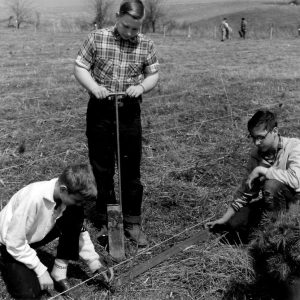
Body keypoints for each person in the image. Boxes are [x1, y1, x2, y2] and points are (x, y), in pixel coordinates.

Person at [74, 0, 159, 247]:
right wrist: (94, 87)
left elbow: (154, 74)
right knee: (102, 168)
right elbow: (80, 67)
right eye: (126, 27)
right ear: (117, 17)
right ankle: (108, 219)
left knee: (131, 170)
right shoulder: (97, 38)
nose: (131, 33)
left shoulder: (146, 44)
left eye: (136, 28)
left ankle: (132, 221)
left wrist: (141, 86)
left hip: (129, 112)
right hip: (100, 111)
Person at [0, 164, 114, 299]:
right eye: (77, 200)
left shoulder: (64, 195)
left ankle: (59, 272)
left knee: (75, 213)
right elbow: (14, 242)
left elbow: (77, 230)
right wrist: (41, 271)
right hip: (9, 243)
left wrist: (94, 262)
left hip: (32, 237)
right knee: (29, 293)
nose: (79, 204)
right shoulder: (34, 198)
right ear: (64, 189)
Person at [206, 110, 300, 243]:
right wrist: (224, 219)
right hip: (275, 201)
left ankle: (277, 235)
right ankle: (273, 228)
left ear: (274, 131)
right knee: (235, 223)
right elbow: (246, 190)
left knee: (271, 185)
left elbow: (296, 180)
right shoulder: (256, 155)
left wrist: (262, 170)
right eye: (253, 137)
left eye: (261, 137)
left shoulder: (294, 146)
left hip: (296, 198)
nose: (256, 142)